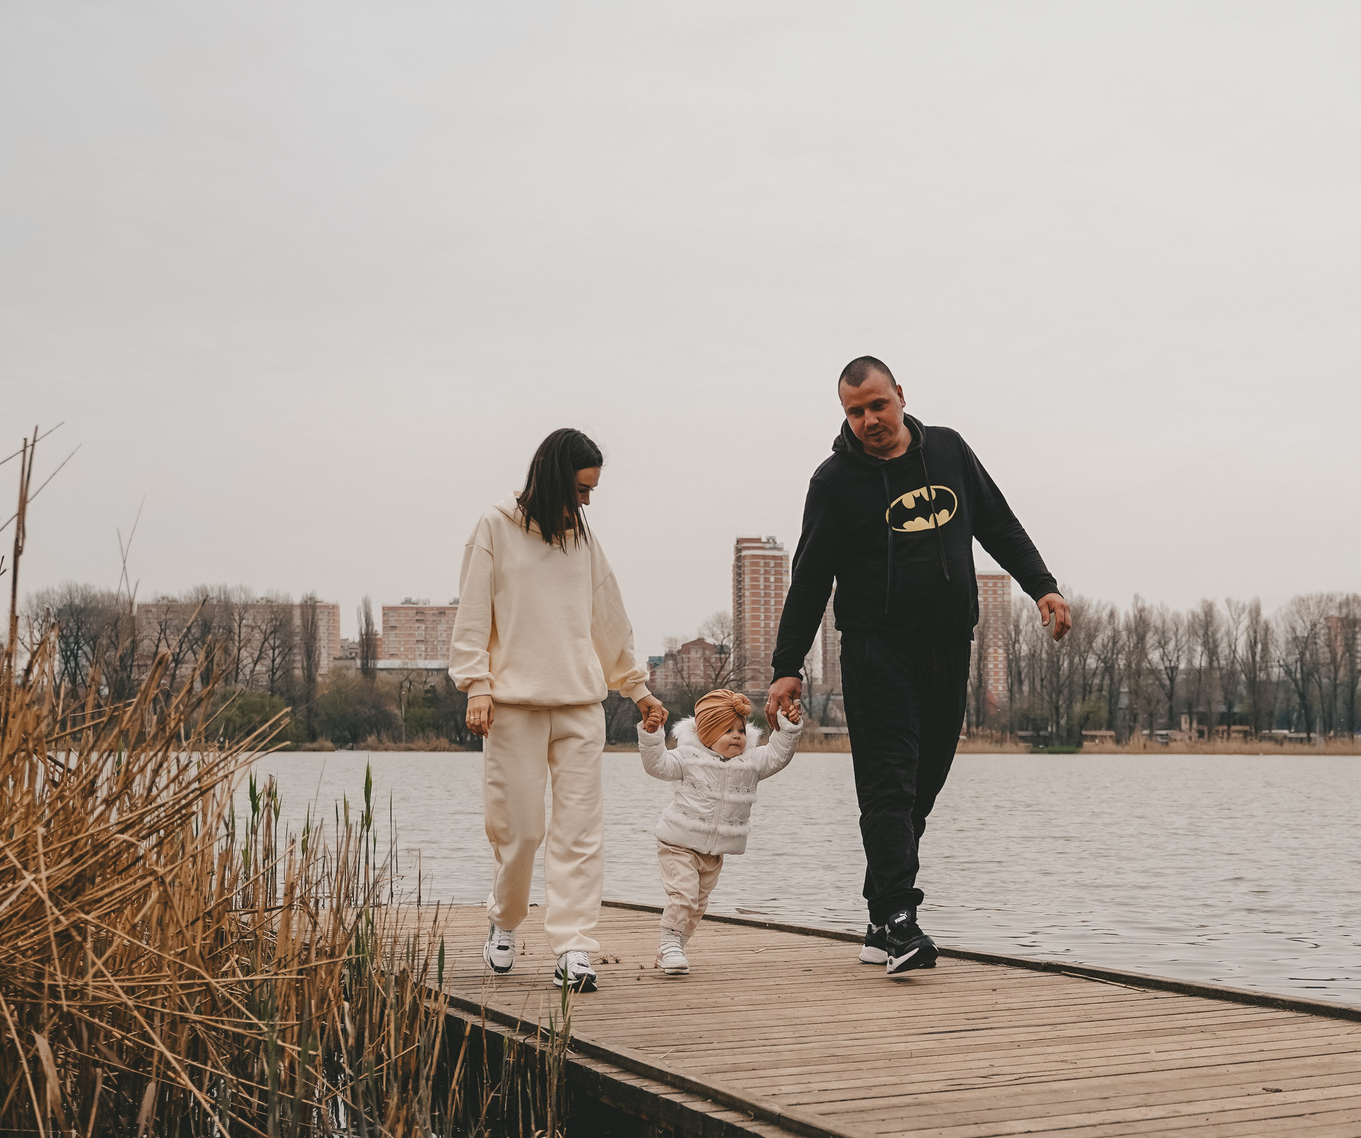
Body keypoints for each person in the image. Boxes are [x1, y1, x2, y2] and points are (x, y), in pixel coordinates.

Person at [767, 357, 1071, 975]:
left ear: (901, 395)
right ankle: (903, 921)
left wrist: (1043, 586)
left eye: (878, 405)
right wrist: (786, 664)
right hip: (877, 651)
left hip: (948, 645)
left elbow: (998, 523)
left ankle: (880, 919)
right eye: (855, 412)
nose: (869, 421)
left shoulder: (951, 452)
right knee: (889, 784)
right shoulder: (834, 482)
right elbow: (809, 579)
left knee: (924, 785)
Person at [449, 427, 666, 992]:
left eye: (593, 490)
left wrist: (636, 689)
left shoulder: (583, 538)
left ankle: (574, 947)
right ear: (554, 479)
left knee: (579, 832)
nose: (588, 501)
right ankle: (504, 920)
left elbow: (607, 616)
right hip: (513, 706)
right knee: (519, 829)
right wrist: (477, 684)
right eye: (582, 489)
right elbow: (472, 612)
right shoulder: (495, 526)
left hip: (578, 705)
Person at [637, 687, 804, 974]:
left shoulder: (750, 762)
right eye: (727, 730)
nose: (737, 736)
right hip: (678, 843)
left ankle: (674, 947)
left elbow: (778, 756)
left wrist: (787, 728)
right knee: (684, 896)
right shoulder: (688, 756)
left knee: (698, 904)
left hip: (713, 853)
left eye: (740, 729)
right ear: (707, 734)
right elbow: (657, 766)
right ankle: (669, 945)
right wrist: (652, 736)